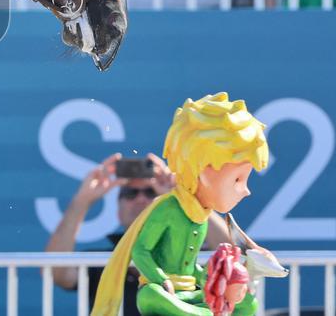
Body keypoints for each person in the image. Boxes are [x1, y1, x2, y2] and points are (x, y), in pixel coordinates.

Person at [91, 93, 276, 316]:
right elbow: (140, 250)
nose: (246, 190)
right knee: (152, 295)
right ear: (204, 170)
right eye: (237, 179)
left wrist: (210, 278)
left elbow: (189, 266)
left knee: (248, 304)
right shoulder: (168, 209)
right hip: (163, 293)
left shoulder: (199, 216)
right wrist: (161, 280)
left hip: (188, 294)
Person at [46, 152, 229, 316]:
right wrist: (83, 200)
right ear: (118, 211)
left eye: (150, 191)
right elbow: (57, 273)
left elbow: (233, 253)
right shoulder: (103, 261)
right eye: (130, 193)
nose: (141, 198)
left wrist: (186, 198)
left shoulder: (188, 258)